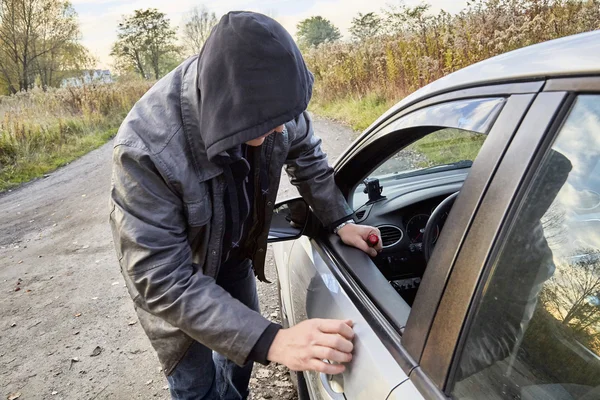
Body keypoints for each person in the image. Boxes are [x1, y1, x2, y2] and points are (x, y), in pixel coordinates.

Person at [109, 11, 382, 400]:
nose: (281, 129)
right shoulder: (146, 150)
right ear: (230, 107)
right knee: (195, 381)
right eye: (270, 124)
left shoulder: (273, 104)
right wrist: (274, 341)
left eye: (286, 118)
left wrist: (340, 220)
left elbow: (307, 158)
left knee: (240, 357)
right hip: (180, 276)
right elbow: (160, 277)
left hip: (235, 253)